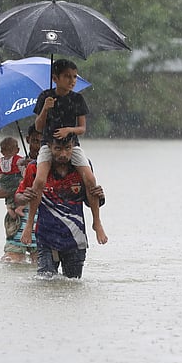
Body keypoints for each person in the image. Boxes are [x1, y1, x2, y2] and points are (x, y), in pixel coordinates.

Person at [22, 59, 107, 246]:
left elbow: (82, 128)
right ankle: (29, 225)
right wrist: (45, 108)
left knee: (90, 179)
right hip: (48, 144)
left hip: (71, 145)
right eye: (67, 77)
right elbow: (38, 127)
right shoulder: (45, 96)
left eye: (74, 77)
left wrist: (69, 130)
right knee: (39, 181)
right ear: (55, 78)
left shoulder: (77, 99)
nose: (72, 81)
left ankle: (97, 222)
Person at [24, 134, 98, 278]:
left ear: (73, 148)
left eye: (67, 148)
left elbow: (89, 200)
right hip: (46, 237)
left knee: (73, 284)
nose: (63, 154)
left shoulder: (82, 167)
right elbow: (19, 197)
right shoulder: (36, 168)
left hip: (75, 239)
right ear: (49, 147)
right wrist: (25, 197)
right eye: (58, 149)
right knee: (45, 282)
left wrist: (99, 196)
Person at [0, 126, 41, 263]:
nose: (38, 146)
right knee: (11, 261)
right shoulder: (16, 165)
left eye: (42, 142)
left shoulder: (52, 166)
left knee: (41, 264)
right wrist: (22, 185)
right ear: (28, 140)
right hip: (17, 225)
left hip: (42, 226)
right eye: (35, 141)